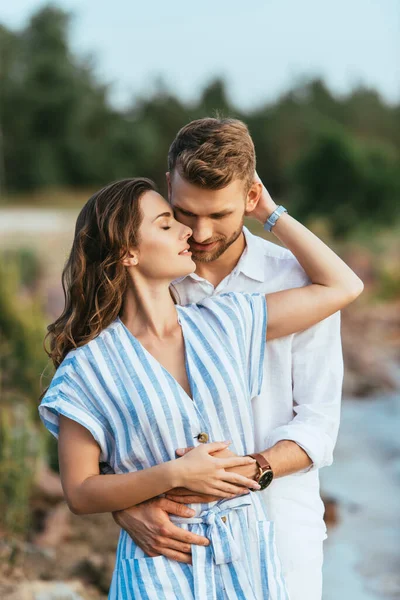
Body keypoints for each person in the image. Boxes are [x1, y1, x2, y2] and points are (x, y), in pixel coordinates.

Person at [39, 171, 362, 599]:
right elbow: (79, 492)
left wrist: (267, 210)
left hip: (251, 562)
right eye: (166, 223)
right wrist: (172, 474)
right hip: (158, 567)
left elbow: (343, 285)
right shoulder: (87, 370)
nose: (187, 231)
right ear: (127, 252)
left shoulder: (226, 322)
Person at [110, 118, 350, 600]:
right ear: (167, 189)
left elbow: (319, 424)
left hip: (281, 532)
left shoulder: (299, 283)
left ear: (250, 195)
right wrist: (125, 506)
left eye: (219, 215)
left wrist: (244, 472)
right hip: (170, 538)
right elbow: (104, 415)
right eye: (184, 212)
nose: (200, 233)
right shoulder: (145, 281)